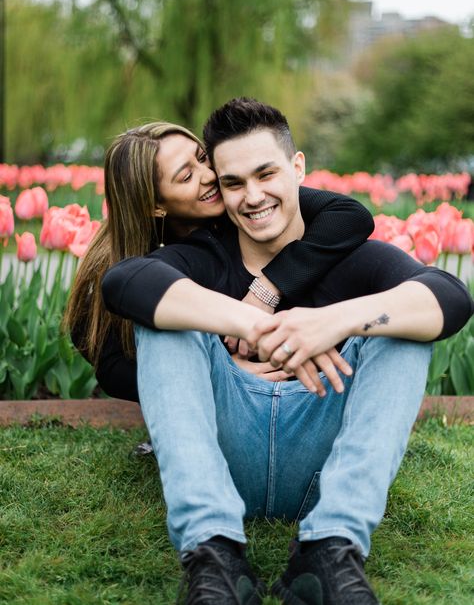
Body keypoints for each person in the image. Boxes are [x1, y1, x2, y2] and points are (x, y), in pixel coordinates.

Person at [102, 98, 474, 605]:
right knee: (166, 319)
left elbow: (450, 295)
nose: (252, 196)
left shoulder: (350, 255)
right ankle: (213, 555)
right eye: (233, 183)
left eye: (266, 174)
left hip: (323, 461)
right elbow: (126, 281)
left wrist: (331, 321)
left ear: (297, 168)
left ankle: (329, 549)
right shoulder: (205, 257)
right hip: (226, 451)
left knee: (402, 324)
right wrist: (256, 324)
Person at [65, 122, 374, 401]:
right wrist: (220, 377)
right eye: (186, 176)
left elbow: (350, 216)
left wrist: (266, 288)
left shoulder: (242, 202)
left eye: (202, 158)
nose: (210, 176)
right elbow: (111, 370)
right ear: (156, 205)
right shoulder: (121, 261)